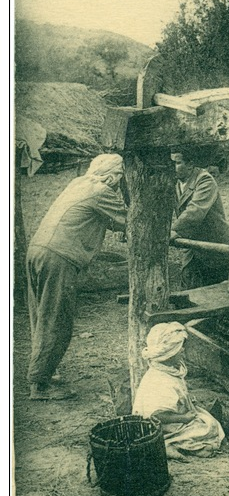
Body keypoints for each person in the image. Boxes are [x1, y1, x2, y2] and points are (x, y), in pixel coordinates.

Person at [27, 154, 127, 400]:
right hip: (59, 256)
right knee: (56, 318)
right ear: (113, 176)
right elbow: (130, 220)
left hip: (37, 250)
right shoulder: (102, 191)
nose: (120, 182)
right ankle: (40, 385)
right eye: (121, 177)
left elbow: (107, 219)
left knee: (41, 315)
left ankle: (42, 372)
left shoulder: (79, 183)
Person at [132, 322, 225, 460]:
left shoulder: (167, 369)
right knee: (207, 427)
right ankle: (170, 445)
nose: (182, 350)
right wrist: (183, 418)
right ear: (170, 353)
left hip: (168, 417)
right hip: (158, 425)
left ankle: (181, 445)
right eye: (180, 348)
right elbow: (156, 416)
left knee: (208, 420)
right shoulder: (161, 380)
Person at [170, 147, 229, 289]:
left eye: (177, 162)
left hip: (214, 246)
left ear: (190, 164)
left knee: (217, 291)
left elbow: (195, 211)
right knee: (188, 287)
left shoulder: (205, 180)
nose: (173, 167)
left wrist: (174, 230)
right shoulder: (174, 182)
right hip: (192, 247)